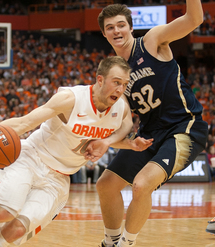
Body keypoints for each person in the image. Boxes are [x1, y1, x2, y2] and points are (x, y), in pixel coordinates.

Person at [0, 56, 153, 246]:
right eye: (116, 82)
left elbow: (119, 135)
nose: (121, 89)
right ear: (100, 80)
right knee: (2, 212)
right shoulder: (70, 99)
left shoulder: (121, 108)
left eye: (124, 84)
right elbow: (26, 122)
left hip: (60, 178)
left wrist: (130, 144)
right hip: (31, 157)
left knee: (16, 231)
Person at [87, 2, 209, 247]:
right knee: (106, 185)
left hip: (184, 127)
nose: (116, 30)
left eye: (121, 25)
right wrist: (110, 141)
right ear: (104, 33)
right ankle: (110, 241)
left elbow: (194, 19)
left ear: (131, 28)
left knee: (142, 185)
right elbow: (124, 122)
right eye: (110, 27)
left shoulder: (151, 41)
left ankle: (127, 243)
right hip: (149, 134)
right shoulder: (114, 71)